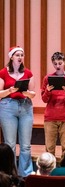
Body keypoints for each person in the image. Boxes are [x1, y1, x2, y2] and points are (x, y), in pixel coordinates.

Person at [0, 46, 36, 177]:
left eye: (22, 55)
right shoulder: (3, 73)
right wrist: (10, 90)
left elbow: (33, 94)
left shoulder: (28, 73)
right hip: (8, 106)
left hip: (25, 106)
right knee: (10, 144)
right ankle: (11, 174)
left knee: (26, 145)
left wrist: (27, 93)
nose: (20, 57)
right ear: (11, 57)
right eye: (17, 55)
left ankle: (25, 175)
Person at [41, 52, 65, 157]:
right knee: (49, 149)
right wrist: (48, 91)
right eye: (55, 63)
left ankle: (63, 172)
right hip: (50, 118)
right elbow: (44, 99)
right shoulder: (47, 78)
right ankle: (49, 172)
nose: (57, 66)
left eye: (60, 63)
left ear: (64, 62)